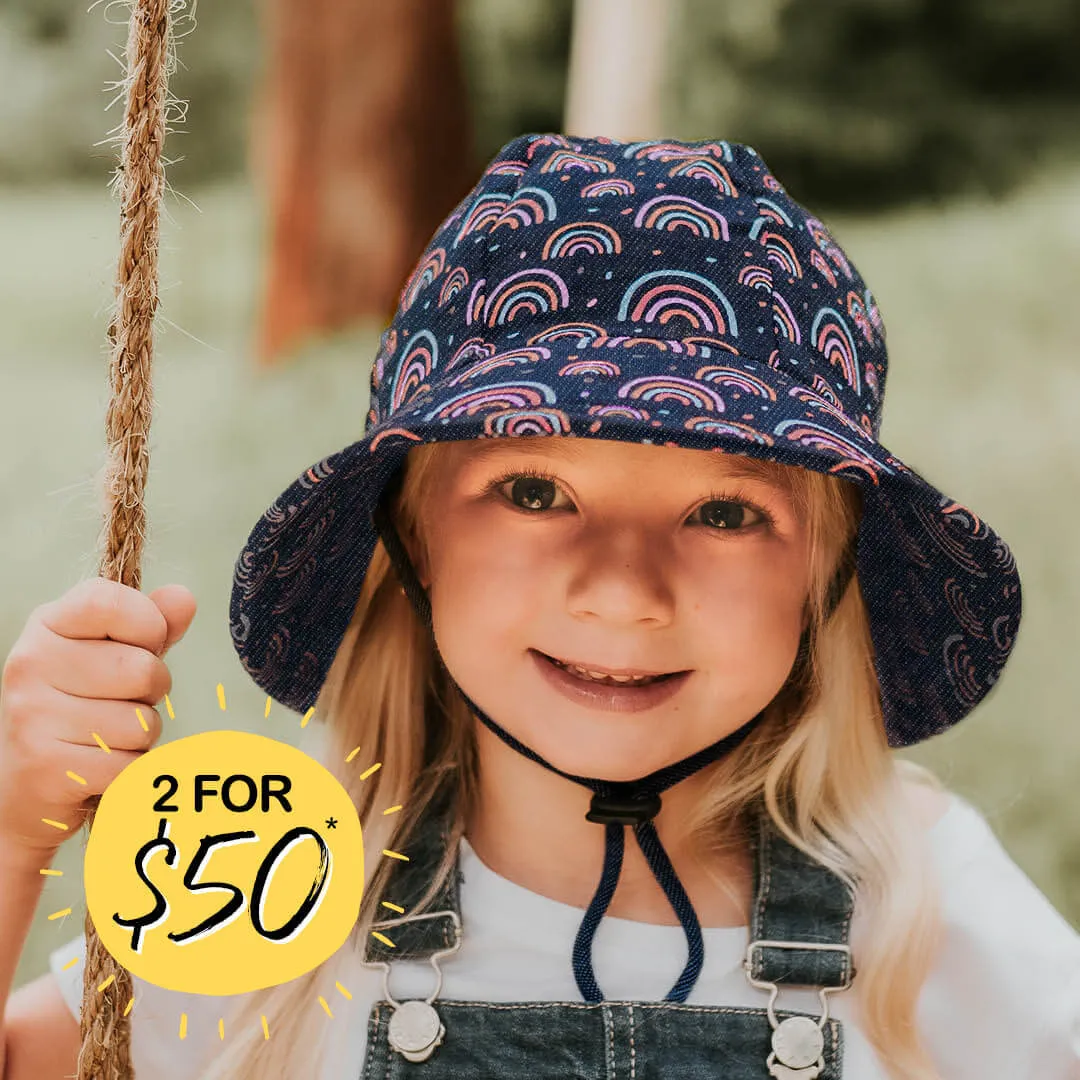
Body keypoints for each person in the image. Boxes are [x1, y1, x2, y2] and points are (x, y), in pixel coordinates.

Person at [2, 133, 1077, 1080]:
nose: (621, 592)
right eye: (532, 491)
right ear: (413, 536)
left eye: (726, 513)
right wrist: (11, 833)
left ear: (827, 578)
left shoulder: (921, 899)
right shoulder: (272, 878)